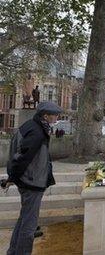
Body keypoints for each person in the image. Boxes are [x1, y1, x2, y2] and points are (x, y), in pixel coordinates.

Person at [5, 101, 62, 255]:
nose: (56, 117)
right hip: (32, 182)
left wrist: (13, 177)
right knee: (29, 226)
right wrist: (12, 176)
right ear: (45, 116)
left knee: (24, 219)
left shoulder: (31, 125)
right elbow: (22, 157)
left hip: (29, 180)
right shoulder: (37, 131)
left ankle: (13, 252)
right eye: (54, 115)